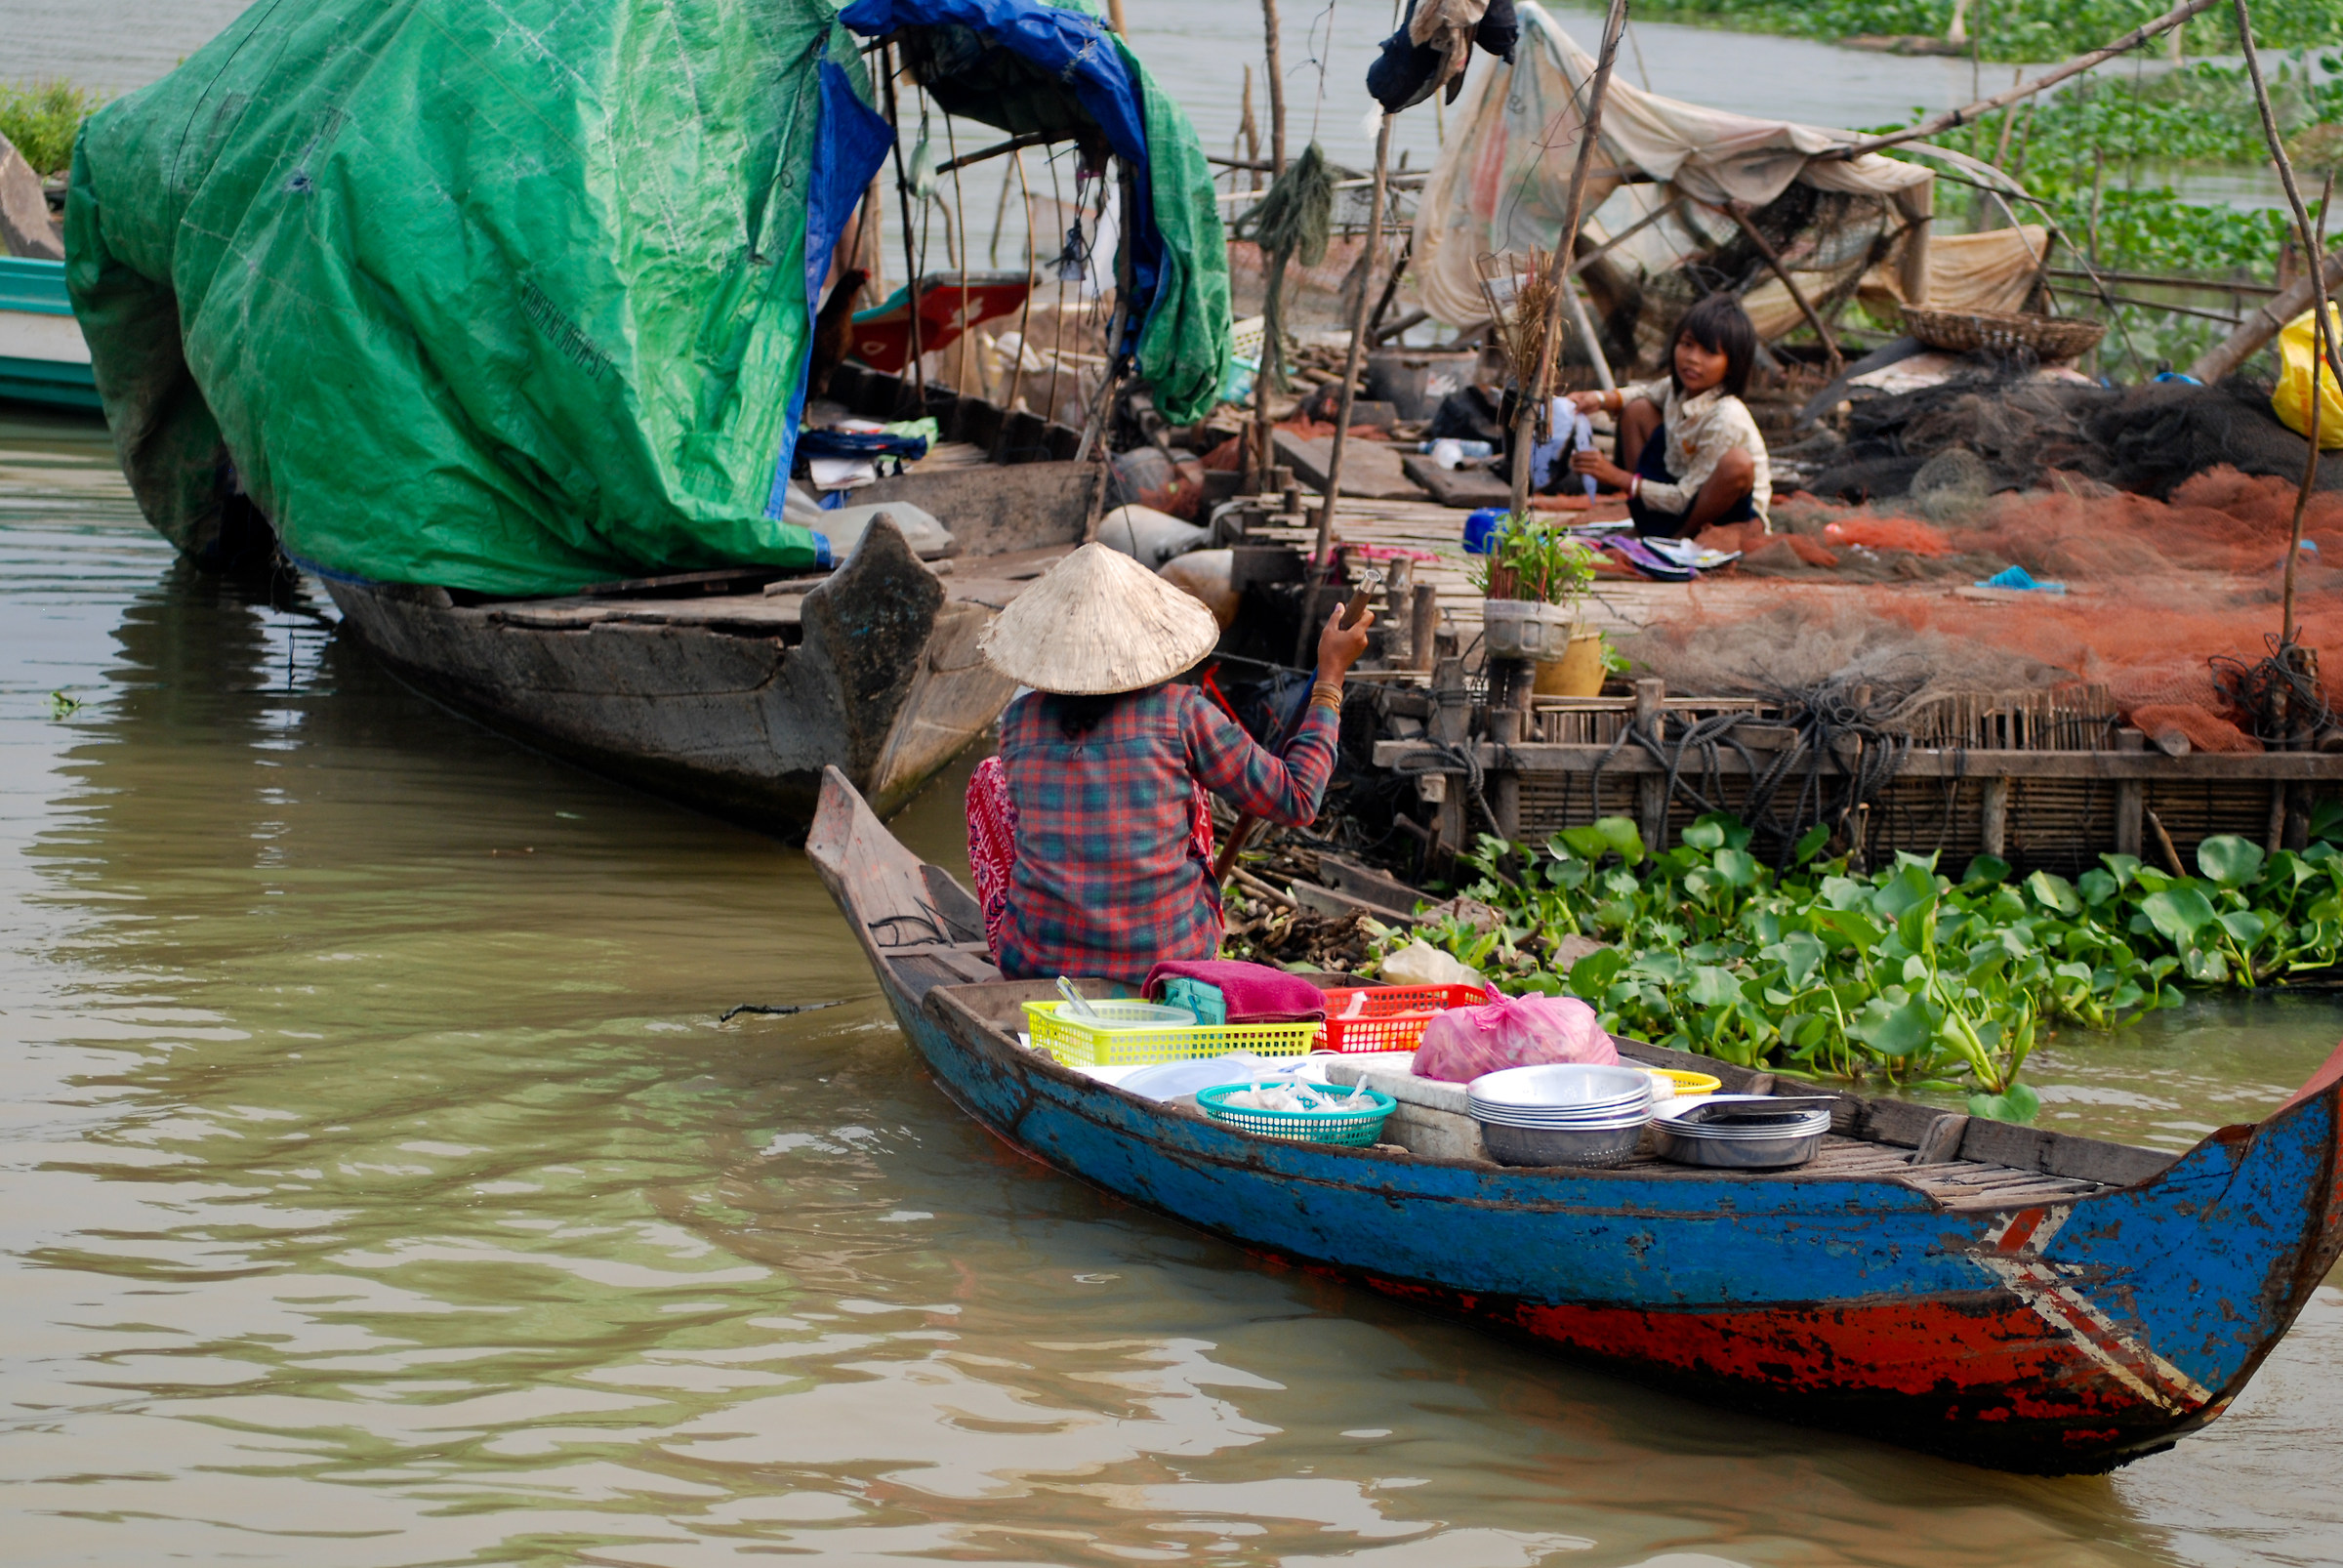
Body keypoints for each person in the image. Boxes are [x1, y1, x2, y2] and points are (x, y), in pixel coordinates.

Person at [966, 543, 1373, 985]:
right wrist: (1330, 678)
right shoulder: (1182, 714)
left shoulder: (1019, 721)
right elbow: (1296, 799)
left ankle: (1028, 939)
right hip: (1171, 961)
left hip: (1037, 962)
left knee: (991, 777)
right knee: (1186, 782)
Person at [1568, 294, 1771, 539]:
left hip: (1724, 511)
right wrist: (1598, 400)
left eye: (1708, 352)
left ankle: (1679, 538)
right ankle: (1646, 522)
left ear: (1732, 365)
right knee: (1638, 410)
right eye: (1687, 344)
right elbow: (1643, 393)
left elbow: (1686, 497)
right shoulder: (1679, 389)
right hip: (1679, 487)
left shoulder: (1726, 417)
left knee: (1737, 463)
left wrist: (1617, 477)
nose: (1693, 358)